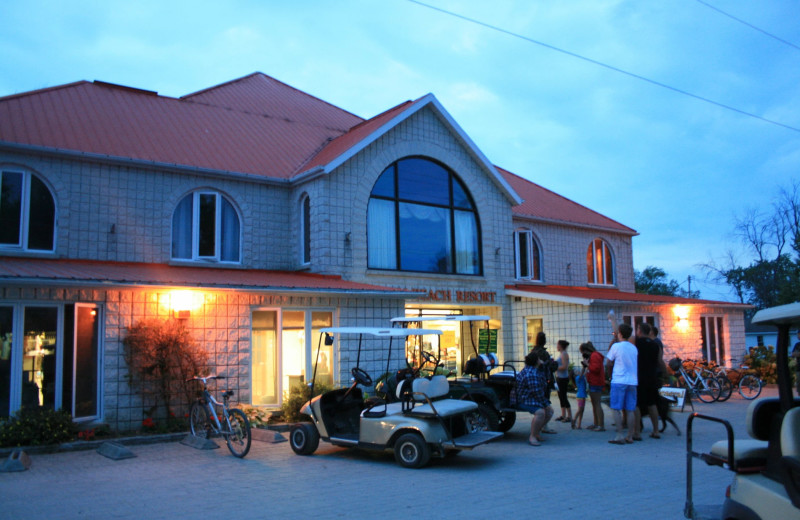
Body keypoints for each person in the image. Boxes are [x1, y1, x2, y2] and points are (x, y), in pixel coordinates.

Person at [511, 350, 554, 446]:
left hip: (530, 397)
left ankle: (537, 432)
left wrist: (546, 404)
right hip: (523, 399)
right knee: (541, 412)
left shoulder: (534, 370)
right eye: (539, 359)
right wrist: (545, 404)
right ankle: (532, 436)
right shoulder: (532, 373)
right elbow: (537, 392)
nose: (540, 360)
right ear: (536, 361)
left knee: (549, 411)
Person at [606, 323, 638, 444]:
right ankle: (630, 435)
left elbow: (609, 361)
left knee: (616, 408)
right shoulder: (633, 348)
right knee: (630, 409)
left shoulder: (616, 347)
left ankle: (619, 434)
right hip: (632, 381)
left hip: (619, 380)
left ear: (620, 333)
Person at [634, 322, 661, 439]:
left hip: (639, 377)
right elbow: (660, 361)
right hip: (652, 377)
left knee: (636, 405)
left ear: (639, 331)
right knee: (652, 404)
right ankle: (656, 431)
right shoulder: (656, 345)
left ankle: (637, 432)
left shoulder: (636, 343)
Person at [580, 341, 605, 431]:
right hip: (593, 382)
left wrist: (587, 364)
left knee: (597, 404)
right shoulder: (594, 355)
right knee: (594, 404)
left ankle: (600, 425)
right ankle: (596, 423)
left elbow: (596, 368)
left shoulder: (595, 356)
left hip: (596, 382)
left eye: (583, 352)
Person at [554, 340, 572, 423]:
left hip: (563, 378)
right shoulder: (561, 354)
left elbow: (564, 367)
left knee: (563, 396)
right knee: (560, 396)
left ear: (561, 346)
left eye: (557, 345)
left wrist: (555, 367)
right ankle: (563, 414)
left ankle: (569, 416)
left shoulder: (564, 354)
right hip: (559, 377)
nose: (557, 346)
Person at [571, 365, 587, 429]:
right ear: (574, 374)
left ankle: (579, 425)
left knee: (582, 410)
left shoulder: (581, 377)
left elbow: (585, 372)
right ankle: (574, 420)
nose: (577, 371)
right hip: (580, 396)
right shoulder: (577, 378)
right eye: (576, 371)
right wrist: (584, 366)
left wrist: (587, 365)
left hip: (582, 395)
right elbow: (583, 372)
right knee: (580, 409)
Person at [792, 330, 800, 396]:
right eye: (798, 334)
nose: (798, 336)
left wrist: (797, 354)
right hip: (799, 368)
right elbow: (793, 354)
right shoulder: (797, 345)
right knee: (799, 386)